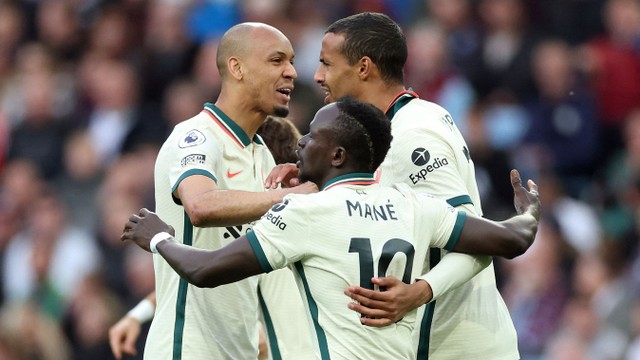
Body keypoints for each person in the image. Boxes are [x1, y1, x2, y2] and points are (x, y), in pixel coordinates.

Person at [121, 97, 541, 360]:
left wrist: (158, 236)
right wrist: (529, 211)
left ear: (338, 154)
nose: (301, 142)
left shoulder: (307, 215)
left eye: (313, 136)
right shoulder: (416, 205)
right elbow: (513, 239)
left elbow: (206, 270)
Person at [265, 12, 522, 359]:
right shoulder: (388, 130)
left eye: (327, 63)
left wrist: (420, 291)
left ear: (364, 68)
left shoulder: (414, 134)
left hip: (460, 343)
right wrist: (315, 181)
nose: (317, 75)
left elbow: (476, 240)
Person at [109, 22, 318, 360]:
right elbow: (200, 206)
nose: (292, 72)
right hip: (188, 347)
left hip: (240, 350)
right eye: (276, 60)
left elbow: (232, 259)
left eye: (292, 61)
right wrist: (291, 198)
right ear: (236, 67)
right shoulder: (196, 136)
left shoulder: (263, 156)